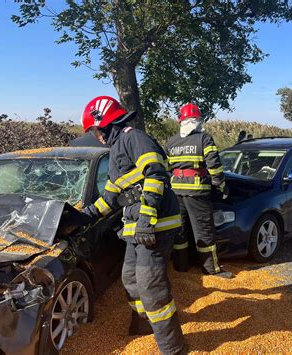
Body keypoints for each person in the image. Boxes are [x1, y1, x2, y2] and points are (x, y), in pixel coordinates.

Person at [79, 96, 187, 354]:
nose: (95, 136)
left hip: (154, 226)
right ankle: (145, 324)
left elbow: (156, 173)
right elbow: (111, 198)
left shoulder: (134, 138)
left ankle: (173, 347)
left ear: (103, 122)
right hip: (135, 228)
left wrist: (147, 219)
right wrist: (84, 217)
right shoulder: (117, 150)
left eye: (94, 130)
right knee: (130, 279)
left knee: (151, 287)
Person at [165, 103, 233, 279]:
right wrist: (221, 187)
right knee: (204, 231)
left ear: (181, 120)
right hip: (197, 192)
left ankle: (181, 266)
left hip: (175, 192)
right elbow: (215, 168)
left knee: (180, 230)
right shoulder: (204, 139)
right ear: (197, 120)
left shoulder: (171, 142)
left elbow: (165, 168)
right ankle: (210, 268)